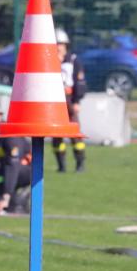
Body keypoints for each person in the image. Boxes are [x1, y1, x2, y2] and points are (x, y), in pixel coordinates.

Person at [52, 28, 87, 172]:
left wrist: (77, 101)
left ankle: (80, 163)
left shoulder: (73, 60)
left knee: (75, 133)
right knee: (56, 135)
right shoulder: (49, 61)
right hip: (55, 102)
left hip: (69, 100)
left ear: (66, 45)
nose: (58, 47)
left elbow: (79, 82)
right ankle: (61, 166)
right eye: (55, 44)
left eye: (60, 44)